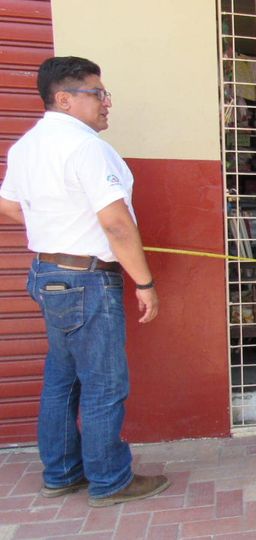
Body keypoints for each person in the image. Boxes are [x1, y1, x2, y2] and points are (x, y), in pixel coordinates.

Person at [0, 56, 170, 507]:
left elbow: (9, 205)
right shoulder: (87, 148)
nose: (106, 102)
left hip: (48, 274)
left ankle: (61, 473)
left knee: (63, 379)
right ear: (64, 99)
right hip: (87, 282)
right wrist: (144, 283)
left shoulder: (25, 147)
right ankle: (110, 480)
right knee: (103, 384)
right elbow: (115, 223)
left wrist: (60, 225)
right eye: (97, 94)